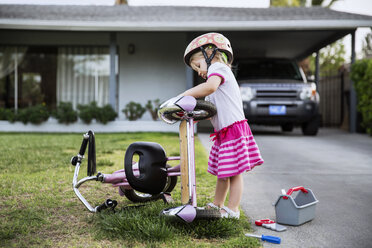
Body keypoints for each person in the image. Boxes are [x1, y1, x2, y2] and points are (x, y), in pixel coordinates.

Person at [180, 32, 264, 219]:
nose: (199, 72)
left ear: (209, 54)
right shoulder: (214, 79)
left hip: (233, 129)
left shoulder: (218, 69)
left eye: (198, 66)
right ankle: (218, 204)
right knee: (223, 172)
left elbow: (209, 88)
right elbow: (211, 110)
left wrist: (185, 94)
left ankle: (233, 209)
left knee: (234, 174)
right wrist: (193, 115)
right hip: (224, 132)